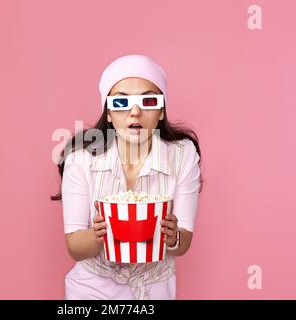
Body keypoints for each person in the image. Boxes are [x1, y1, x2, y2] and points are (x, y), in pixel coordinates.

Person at [51, 54, 204, 299]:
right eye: (122, 103)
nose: (135, 112)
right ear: (109, 114)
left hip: (155, 288)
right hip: (92, 289)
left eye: (148, 101)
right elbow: (75, 247)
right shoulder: (81, 158)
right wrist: (98, 234)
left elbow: (183, 243)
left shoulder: (183, 155)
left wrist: (174, 235)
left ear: (161, 111)